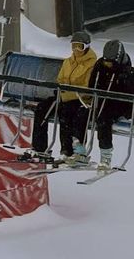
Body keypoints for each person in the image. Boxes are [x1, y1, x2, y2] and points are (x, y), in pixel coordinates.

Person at [30, 31, 97, 166]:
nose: (76, 49)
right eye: (74, 46)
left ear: (87, 47)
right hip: (64, 97)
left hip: (81, 100)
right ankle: (39, 148)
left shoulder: (92, 65)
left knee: (67, 113)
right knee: (42, 108)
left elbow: (87, 88)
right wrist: (62, 93)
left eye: (80, 46)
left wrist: (66, 95)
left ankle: (68, 151)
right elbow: (60, 80)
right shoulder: (68, 62)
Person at [88, 39, 134, 172]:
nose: (107, 65)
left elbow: (129, 93)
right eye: (106, 62)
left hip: (117, 106)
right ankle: (78, 150)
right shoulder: (100, 67)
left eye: (110, 63)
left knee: (103, 120)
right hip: (100, 102)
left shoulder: (130, 72)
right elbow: (92, 84)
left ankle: (105, 156)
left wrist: (121, 80)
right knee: (79, 113)